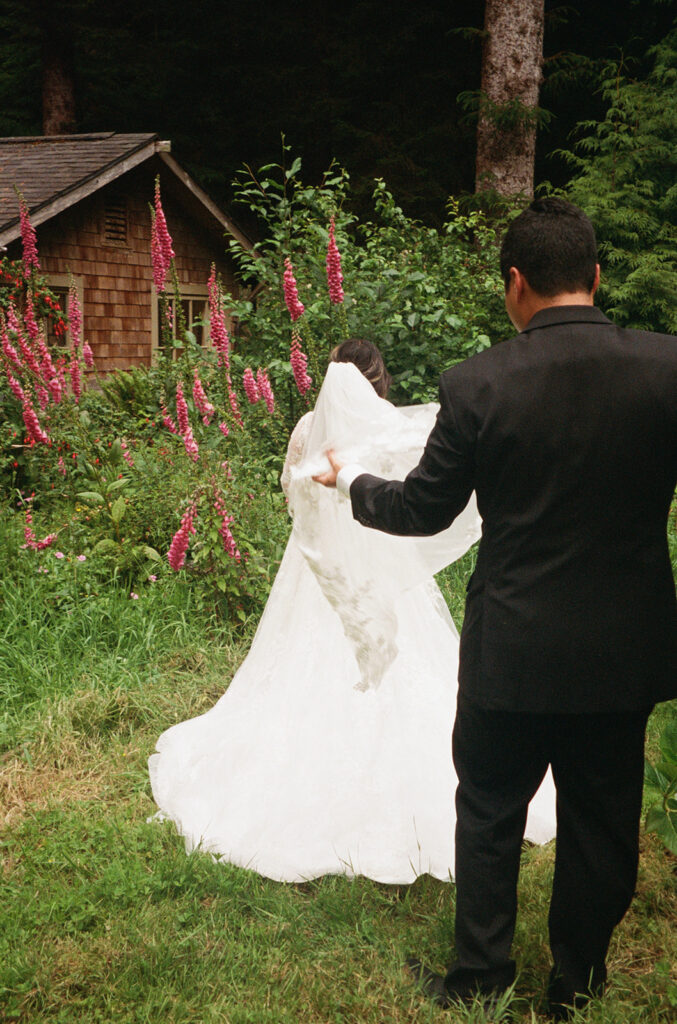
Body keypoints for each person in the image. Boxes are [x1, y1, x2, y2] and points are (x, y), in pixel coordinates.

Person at [315, 200, 677, 1019]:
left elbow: (422, 512)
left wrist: (352, 484)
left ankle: (480, 976)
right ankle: (576, 986)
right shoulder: (667, 369)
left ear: (514, 284)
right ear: (596, 276)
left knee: (486, 810)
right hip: (622, 653)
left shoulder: (475, 383)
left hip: (509, 648)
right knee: (601, 820)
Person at [148, 339, 556, 884]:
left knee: (303, 666)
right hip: (383, 567)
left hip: (318, 573)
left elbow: (292, 496)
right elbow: (415, 496)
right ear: (380, 381)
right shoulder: (389, 429)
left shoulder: (306, 429)